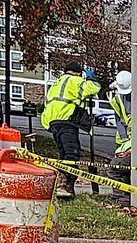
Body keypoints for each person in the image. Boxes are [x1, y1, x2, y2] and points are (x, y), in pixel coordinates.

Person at [39, 68, 101, 196]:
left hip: (53, 122)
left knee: (64, 154)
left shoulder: (56, 83)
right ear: (78, 73)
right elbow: (93, 88)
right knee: (71, 154)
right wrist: (90, 78)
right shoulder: (75, 80)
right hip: (67, 121)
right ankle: (63, 185)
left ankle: (68, 188)